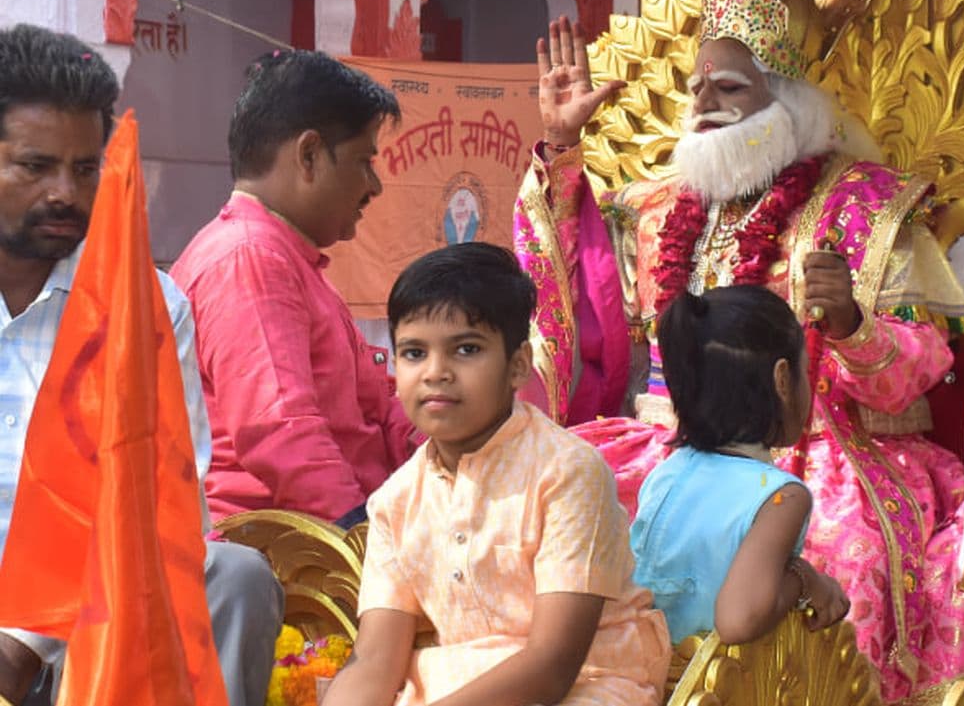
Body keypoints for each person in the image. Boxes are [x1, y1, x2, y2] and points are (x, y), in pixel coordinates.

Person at [514, 0, 964, 702]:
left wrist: (853, 323)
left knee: (838, 556)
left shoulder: (865, 208)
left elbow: (920, 369)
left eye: (730, 88)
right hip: (669, 442)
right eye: (697, 89)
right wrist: (564, 151)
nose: (704, 105)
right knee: (556, 509)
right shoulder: (662, 204)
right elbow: (583, 305)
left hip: (824, 447)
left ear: (788, 100)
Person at [0, 24, 283, 706]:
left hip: (89, 620)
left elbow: (157, 501)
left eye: (87, 167)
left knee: (234, 575)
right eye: (36, 166)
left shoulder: (147, 307)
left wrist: (23, 637)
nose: (65, 192)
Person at [323, 243, 669, 706]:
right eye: (413, 353)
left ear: (518, 365)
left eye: (466, 349)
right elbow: (374, 661)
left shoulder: (567, 472)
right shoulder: (395, 500)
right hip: (455, 685)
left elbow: (551, 667)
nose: (435, 373)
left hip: (587, 684)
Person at [170, 50, 415, 525]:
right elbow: (281, 431)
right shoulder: (249, 258)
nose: (374, 186)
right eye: (365, 161)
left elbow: (374, 403)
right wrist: (361, 539)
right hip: (288, 557)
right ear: (309, 155)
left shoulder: (282, 256)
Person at [630, 286, 849, 645]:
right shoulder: (782, 498)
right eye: (805, 370)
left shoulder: (668, 470)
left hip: (638, 672)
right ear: (782, 380)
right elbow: (738, 621)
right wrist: (805, 579)